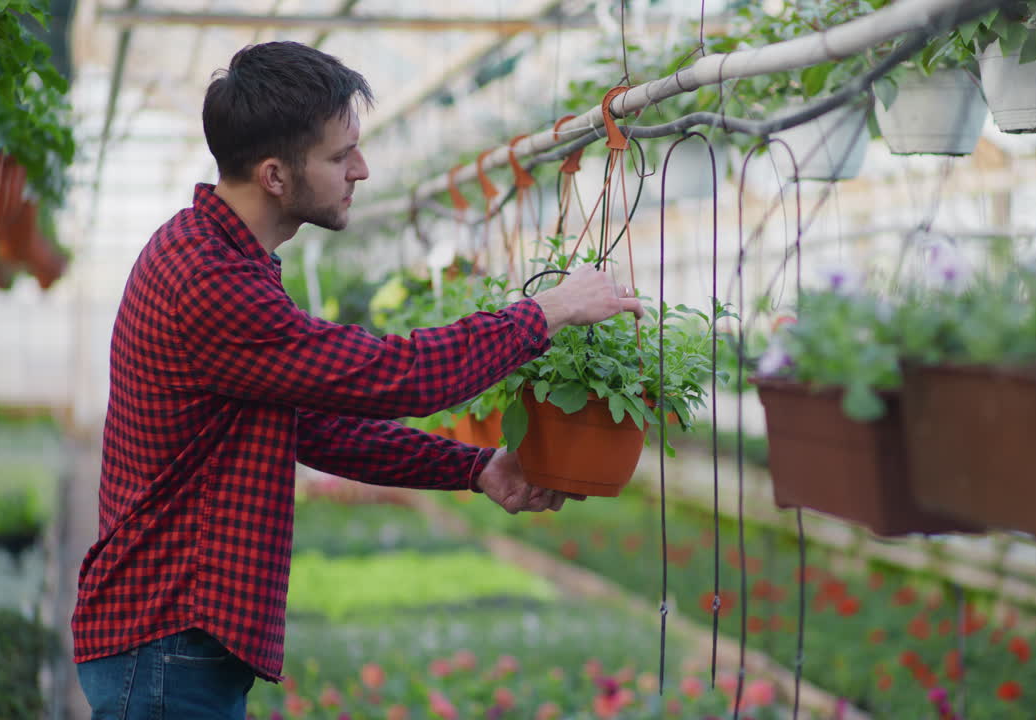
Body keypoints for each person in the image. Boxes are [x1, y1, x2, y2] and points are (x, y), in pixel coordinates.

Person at [72, 41, 642, 719]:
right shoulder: (210, 282)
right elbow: (393, 377)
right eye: (342, 155)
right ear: (276, 175)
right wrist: (545, 312)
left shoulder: (216, 256)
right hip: (164, 645)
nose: (362, 170)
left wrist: (475, 466)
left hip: (172, 643)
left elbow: (315, 427)